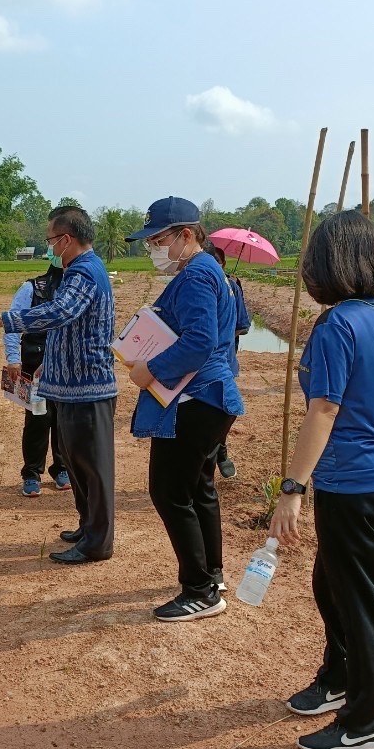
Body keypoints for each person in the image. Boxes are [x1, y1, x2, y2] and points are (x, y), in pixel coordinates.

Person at [269, 211, 374, 749]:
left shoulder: (335, 326)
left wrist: (291, 489)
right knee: (332, 581)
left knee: (357, 595)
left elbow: (323, 408)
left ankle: (366, 722)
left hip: (351, 480)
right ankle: (338, 675)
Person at [0, 205, 117, 564]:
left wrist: (3, 320)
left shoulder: (84, 273)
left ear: (66, 239)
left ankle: (97, 542)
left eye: (50, 240)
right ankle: (88, 527)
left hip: (88, 389)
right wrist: (52, 361)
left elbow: (59, 312)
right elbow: (69, 327)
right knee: (78, 466)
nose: (49, 246)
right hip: (71, 387)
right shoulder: (80, 270)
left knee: (92, 469)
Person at [124, 198, 245, 622]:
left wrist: (150, 369)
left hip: (195, 399)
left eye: (159, 239)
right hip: (212, 397)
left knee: (169, 491)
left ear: (186, 235)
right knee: (198, 488)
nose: (154, 248)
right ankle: (211, 573)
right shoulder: (208, 270)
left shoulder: (195, 276)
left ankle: (200, 591)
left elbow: (198, 342)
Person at [3, 252, 71, 497]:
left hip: (66, 366)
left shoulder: (75, 289)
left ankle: (62, 468)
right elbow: (13, 322)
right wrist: (13, 358)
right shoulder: (31, 287)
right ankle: (32, 473)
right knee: (37, 419)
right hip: (34, 364)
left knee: (63, 418)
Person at [206, 243, 252, 480]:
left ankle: (221, 452)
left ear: (222, 263)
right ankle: (215, 455)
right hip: (199, 366)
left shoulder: (232, 286)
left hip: (223, 362)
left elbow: (242, 326)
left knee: (223, 411)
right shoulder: (194, 285)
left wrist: (219, 331)